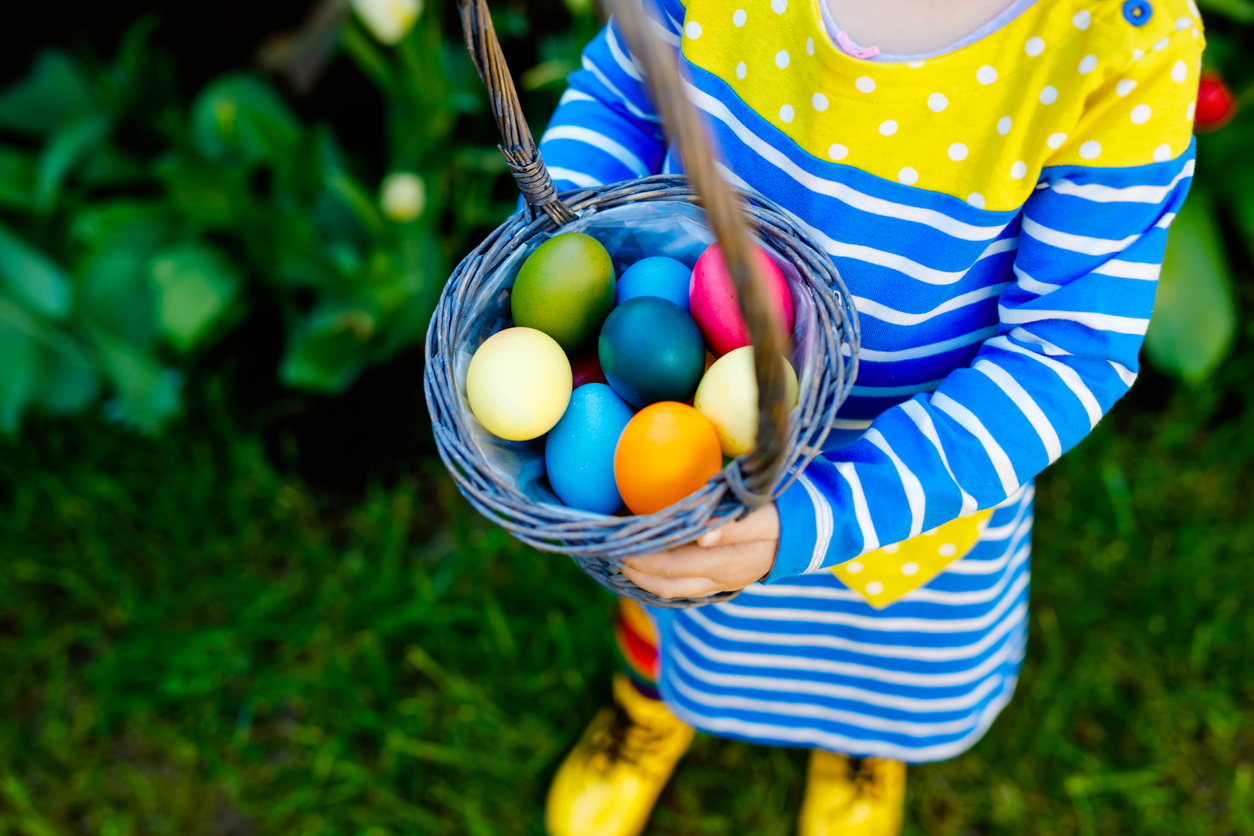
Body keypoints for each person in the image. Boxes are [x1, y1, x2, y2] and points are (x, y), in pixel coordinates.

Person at [536, 0, 1202, 832]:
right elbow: (625, 98)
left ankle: (859, 752)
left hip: (918, 476)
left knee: (881, 653)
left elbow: (1067, 350)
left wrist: (830, 514)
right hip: (693, 421)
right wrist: (564, 258)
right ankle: (650, 710)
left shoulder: (1113, 42)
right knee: (677, 601)